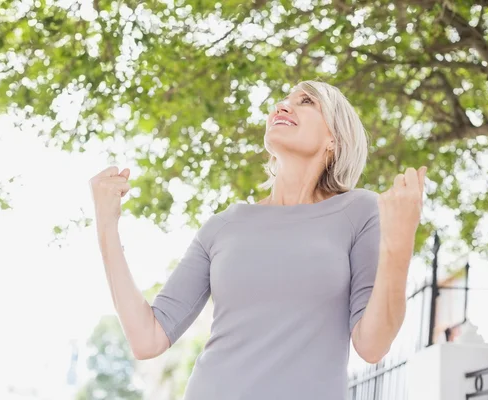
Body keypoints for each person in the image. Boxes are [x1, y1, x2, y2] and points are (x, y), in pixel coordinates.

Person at [89, 80, 427, 400]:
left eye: (306, 101)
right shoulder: (224, 225)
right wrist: (107, 225)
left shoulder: (360, 210)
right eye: (284, 100)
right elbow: (147, 338)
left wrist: (399, 246)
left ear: (334, 139)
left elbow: (372, 346)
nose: (284, 106)